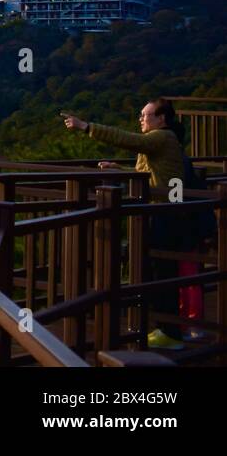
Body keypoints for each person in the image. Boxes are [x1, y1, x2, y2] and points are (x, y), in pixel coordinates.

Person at [62, 99, 191, 349]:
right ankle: (166, 330)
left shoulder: (162, 137)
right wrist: (119, 168)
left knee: (160, 272)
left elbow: (128, 140)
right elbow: (147, 174)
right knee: (156, 271)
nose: (141, 118)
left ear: (162, 118)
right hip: (159, 213)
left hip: (163, 215)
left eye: (146, 114)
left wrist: (86, 126)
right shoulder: (160, 142)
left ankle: (170, 334)